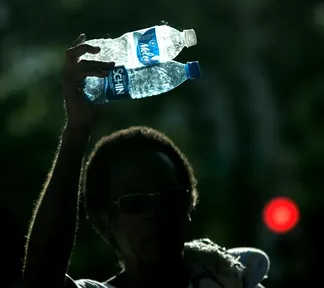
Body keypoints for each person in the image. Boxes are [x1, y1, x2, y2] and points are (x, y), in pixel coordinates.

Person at [23, 34, 270, 288]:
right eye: (135, 204)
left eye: (170, 197)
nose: (156, 213)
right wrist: (76, 132)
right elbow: (41, 278)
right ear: (105, 223)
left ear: (189, 206)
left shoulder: (232, 281)